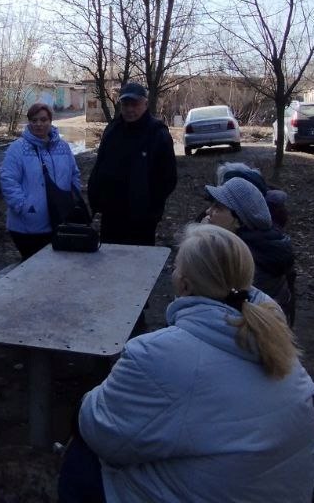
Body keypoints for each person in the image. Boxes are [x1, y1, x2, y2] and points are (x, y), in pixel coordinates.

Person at [58, 224, 314, 503]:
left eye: (176, 267)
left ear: (184, 284)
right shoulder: (275, 338)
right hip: (283, 489)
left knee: (81, 457)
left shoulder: (156, 354)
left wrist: (84, 404)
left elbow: (99, 430)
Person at [88, 82, 177, 245]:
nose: (129, 109)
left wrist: (151, 207)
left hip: (142, 219)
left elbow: (168, 178)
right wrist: (96, 199)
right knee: (109, 257)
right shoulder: (112, 130)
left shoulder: (157, 134)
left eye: (134, 104)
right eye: (125, 104)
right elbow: (99, 166)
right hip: (112, 215)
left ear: (145, 104)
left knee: (138, 258)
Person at [204, 176, 295, 324]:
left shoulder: (244, 262)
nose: (208, 211)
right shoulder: (262, 246)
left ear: (239, 221)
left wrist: (202, 241)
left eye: (218, 208)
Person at [0, 102, 82, 260]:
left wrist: (72, 199)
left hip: (60, 219)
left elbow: (74, 174)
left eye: (43, 120)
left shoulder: (63, 147)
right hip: (28, 225)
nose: (39, 124)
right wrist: (23, 207)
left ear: (50, 121)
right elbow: (8, 180)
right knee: (32, 266)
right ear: (29, 122)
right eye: (34, 120)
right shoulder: (18, 148)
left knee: (56, 265)